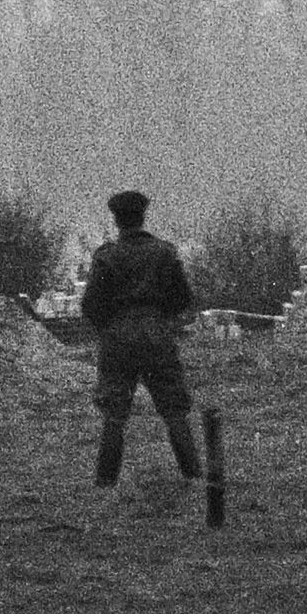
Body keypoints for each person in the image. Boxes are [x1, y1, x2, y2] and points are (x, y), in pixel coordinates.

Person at [78, 190, 201, 488]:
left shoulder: (106, 256)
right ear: (142, 216)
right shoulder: (164, 252)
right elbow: (183, 298)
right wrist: (159, 318)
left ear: (117, 220)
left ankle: (106, 482)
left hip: (118, 337)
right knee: (174, 409)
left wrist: (111, 326)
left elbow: (90, 305)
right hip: (157, 334)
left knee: (114, 414)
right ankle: (193, 475)